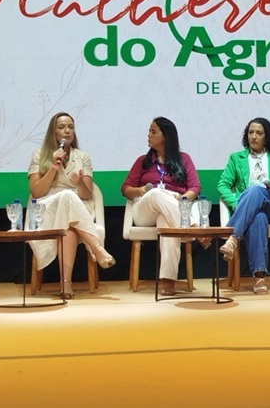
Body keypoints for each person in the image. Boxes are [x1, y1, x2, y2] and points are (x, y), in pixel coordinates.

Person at [28, 112, 115, 299]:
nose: (67, 131)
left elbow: (86, 194)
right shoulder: (39, 155)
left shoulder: (83, 157)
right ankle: (97, 247)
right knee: (66, 195)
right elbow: (36, 192)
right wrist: (53, 167)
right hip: (49, 207)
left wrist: (80, 183)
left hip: (77, 210)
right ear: (53, 132)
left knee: (69, 228)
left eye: (70, 127)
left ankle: (65, 284)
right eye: (61, 127)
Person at [217, 117, 270, 295]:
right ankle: (259, 277)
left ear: (266, 136)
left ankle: (233, 237)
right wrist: (237, 203)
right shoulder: (236, 158)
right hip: (251, 209)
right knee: (258, 217)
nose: (253, 137)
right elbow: (222, 185)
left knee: (255, 189)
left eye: (259, 133)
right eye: (250, 132)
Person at [121, 117, 201, 296]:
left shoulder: (184, 159)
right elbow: (125, 189)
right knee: (157, 193)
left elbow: (194, 187)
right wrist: (140, 189)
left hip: (173, 207)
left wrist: (183, 198)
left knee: (167, 222)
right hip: (144, 210)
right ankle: (192, 229)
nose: (148, 135)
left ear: (166, 136)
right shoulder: (143, 161)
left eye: (153, 131)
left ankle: (168, 280)